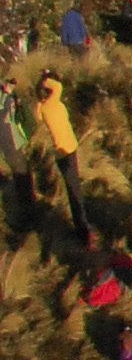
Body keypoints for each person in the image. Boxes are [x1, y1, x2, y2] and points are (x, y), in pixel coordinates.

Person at [31, 70, 90, 240]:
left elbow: (37, 116)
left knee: (74, 189)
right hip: (67, 151)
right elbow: (57, 85)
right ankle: (83, 232)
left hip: (65, 152)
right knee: (75, 192)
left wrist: (40, 89)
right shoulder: (52, 102)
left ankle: (83, 228)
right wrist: (44, 78)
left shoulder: (43, 107)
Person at [0, 74, 34, 229]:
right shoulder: (4, 108)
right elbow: (5, 115)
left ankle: (26, 215)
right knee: (23, 182)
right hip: (11, 147)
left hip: (10, 148)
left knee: (23, 180)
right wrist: (8, 95)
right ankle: (27, 220)